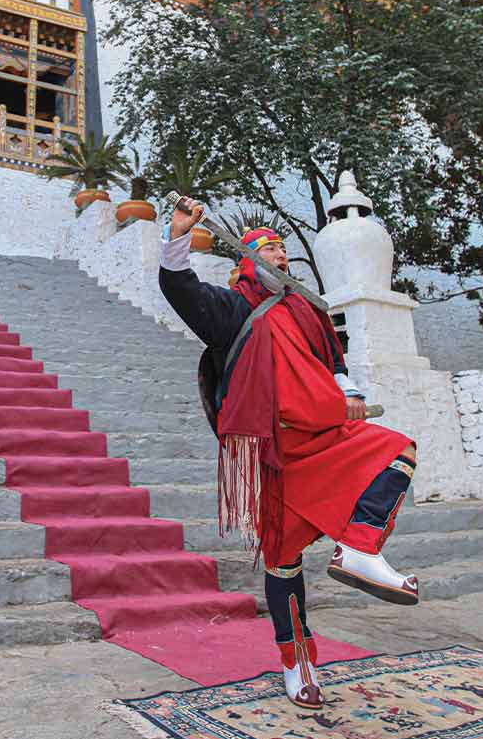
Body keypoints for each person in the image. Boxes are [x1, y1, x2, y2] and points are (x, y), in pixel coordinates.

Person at [159, 197, 418, 710]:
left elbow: (334, 360)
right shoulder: (233, 309)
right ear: (245, 262)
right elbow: (180, 290)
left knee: (397, 451)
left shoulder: (307, 308)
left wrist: (352, 393)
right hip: (277, 452)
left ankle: (361, 548)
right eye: (269, 249)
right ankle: (297, 662)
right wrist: (178, 236)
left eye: (283, 249)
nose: (280, 255)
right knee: (283, 562)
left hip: (328, 437)